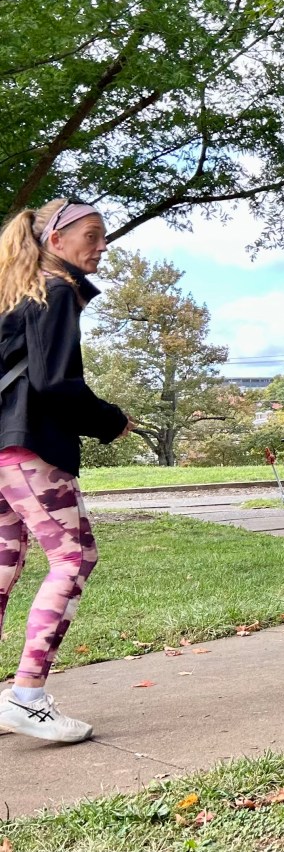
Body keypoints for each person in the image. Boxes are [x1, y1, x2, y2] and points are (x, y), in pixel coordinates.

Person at [0, 198, 135, 743]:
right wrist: (111, 421)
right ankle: (28, 696)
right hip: (29, 451)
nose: (102, 246)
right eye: (93, 235)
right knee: (75, 557)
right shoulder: (57, 293)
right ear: (55, 241)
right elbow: (57, 383)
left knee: (3, 569)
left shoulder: (13, 299)